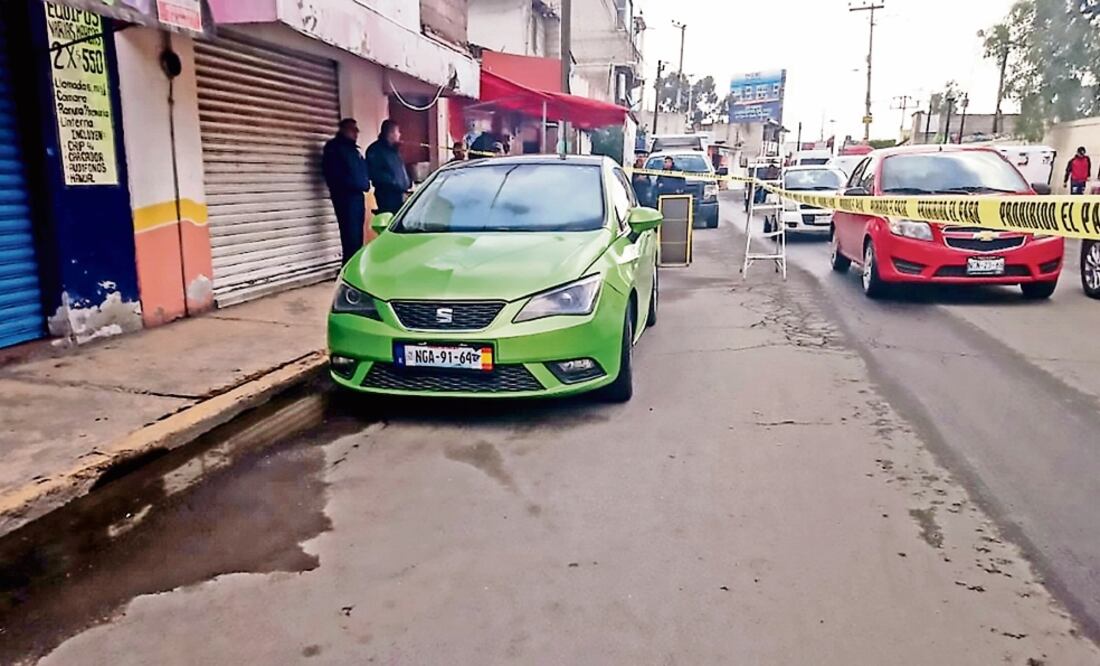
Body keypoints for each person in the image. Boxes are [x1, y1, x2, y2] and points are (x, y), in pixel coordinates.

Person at [322, 118, 371, 265]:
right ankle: (349, 266)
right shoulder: (334, 148)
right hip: (345, 198)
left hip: (357, 196)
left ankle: (355, 264)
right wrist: (354, 184)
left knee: (357, 236)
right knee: (350, 235)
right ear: (344, 130)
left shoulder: (354, 150)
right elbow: (333, 175)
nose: (356, 133)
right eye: (353, 130)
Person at [366, 119, 412, 215]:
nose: (399, 135)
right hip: (386, 196)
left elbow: (400, 171)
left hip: (400, 195)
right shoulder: (375, 150)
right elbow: (375, 173)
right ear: (391, 133)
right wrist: (395, 183)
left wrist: (407, 183)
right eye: (397, 132)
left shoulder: (394, 151)